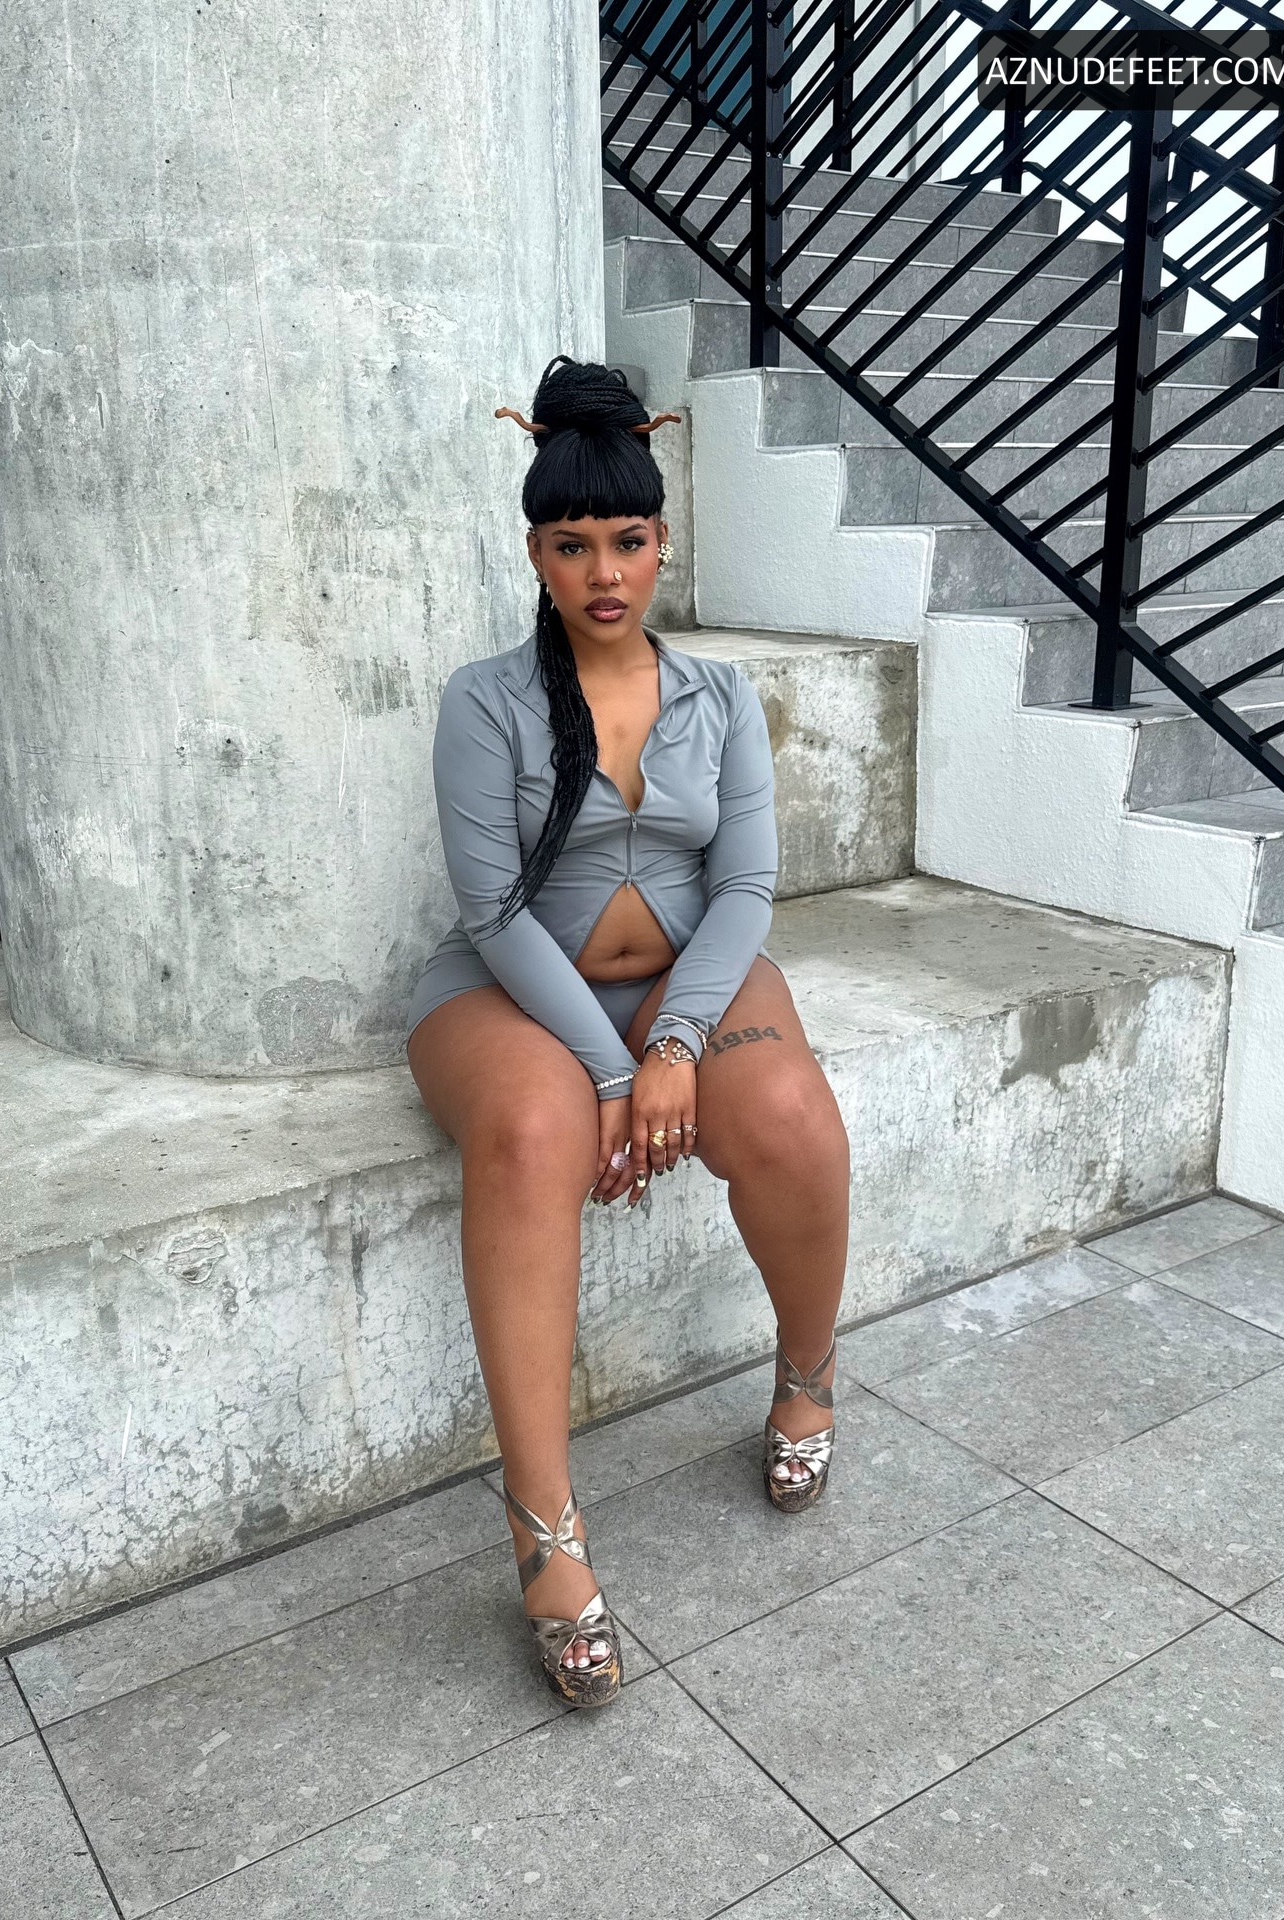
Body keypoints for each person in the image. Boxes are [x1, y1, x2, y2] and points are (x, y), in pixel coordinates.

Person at [406, 355, 851, 1708]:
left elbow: (748, 887)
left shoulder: (718, 698)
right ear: (535, 553)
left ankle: (809, 1377)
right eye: (573, 545)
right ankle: (545, 1533)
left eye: (630, 540)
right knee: (532, 1131)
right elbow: (492, 910)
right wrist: (610, 1069)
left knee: (786, 1112)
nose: (605, 572)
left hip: (688, 982)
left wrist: (671, 1048)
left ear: (662, 540)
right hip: (512, 989)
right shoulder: (484, 701)